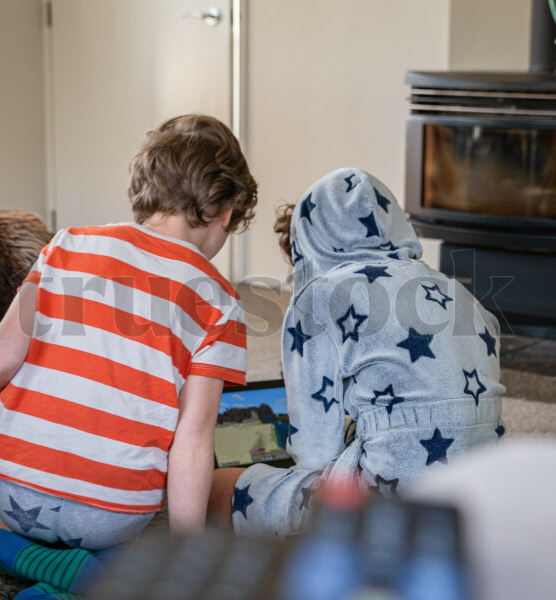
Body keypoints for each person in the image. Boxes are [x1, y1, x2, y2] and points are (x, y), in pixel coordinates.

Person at [0, 114, 257, 599]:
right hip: (111, 510)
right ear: (226, 211)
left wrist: (4, 395)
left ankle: (20, 551)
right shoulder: (219, 301)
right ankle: (101, 574)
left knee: (2, 524)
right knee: (126, 543)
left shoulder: (68, 245)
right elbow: (193, 440)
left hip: (12, 486)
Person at [210, 168, 505, 537]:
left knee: (224, 488)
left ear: (308, 245)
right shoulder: (463, 296)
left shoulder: (319, 297)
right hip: (479, 491)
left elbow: (315, 453)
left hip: (384, 505)